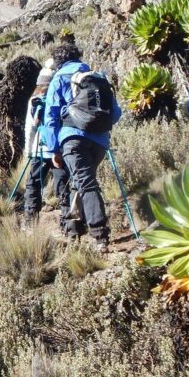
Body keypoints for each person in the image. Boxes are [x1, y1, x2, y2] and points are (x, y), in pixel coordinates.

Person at [44, 44, 121, 248]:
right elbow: (115, 113)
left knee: (85, 183)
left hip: (73, 138)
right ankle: (73, 231)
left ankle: (99, 234)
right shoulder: (97, 77)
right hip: (100, 141)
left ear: (58, 62)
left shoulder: (60, 78)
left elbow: (50, 116)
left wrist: (53, 149)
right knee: (80, 181)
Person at [23, 61, 70, 223]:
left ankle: (30, 222)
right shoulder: (62, 97)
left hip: (39, 149)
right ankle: (68, 223)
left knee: (33, 184)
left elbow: (30, 128)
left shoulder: (34, 100)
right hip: (60, 149)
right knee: (63, 185)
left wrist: (29, 150)